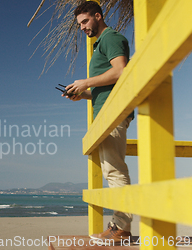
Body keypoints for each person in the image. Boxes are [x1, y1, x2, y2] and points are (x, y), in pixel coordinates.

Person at [63, 1, 134, 243]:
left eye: (85, 21)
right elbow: (106, 87)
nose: (82, 27)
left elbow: (121, 71)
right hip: (106, 111)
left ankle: (122, 227)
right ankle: (119, 225)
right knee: (111, 170)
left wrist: (86, 82)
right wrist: (81, 93)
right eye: (79, 24)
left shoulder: (111, 37)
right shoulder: (99, 44)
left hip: (114, 113)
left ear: (98, 16)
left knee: (115, 170)